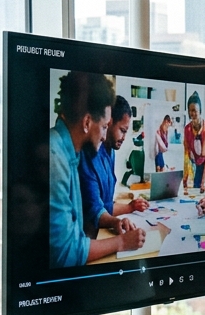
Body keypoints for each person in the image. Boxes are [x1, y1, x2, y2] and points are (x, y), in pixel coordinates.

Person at [49, 72, 144, 268]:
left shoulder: (69, 153)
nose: (104, 136)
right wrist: (122, 242)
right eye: (103, 127)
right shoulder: (55, 158)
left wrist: (117, 219)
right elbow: (66, 252)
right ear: (86, 123)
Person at [79, 94, 149, 239]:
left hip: (101, 232)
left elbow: (105, 204)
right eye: (122, 130)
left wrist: (131, 207)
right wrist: (116, 222)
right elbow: (95, 209)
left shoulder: (110, 151)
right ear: (109, 123)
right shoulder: (89, 153)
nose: (124, 137)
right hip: (88, 237)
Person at [184, 92, 205, 188]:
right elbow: (186, 153)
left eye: (195, 110)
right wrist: (186, 178)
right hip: (195, 164)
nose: (193, 113)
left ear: (200, 110)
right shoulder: (187, 129)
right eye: (190, 111)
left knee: (204, 189)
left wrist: (204, 180)